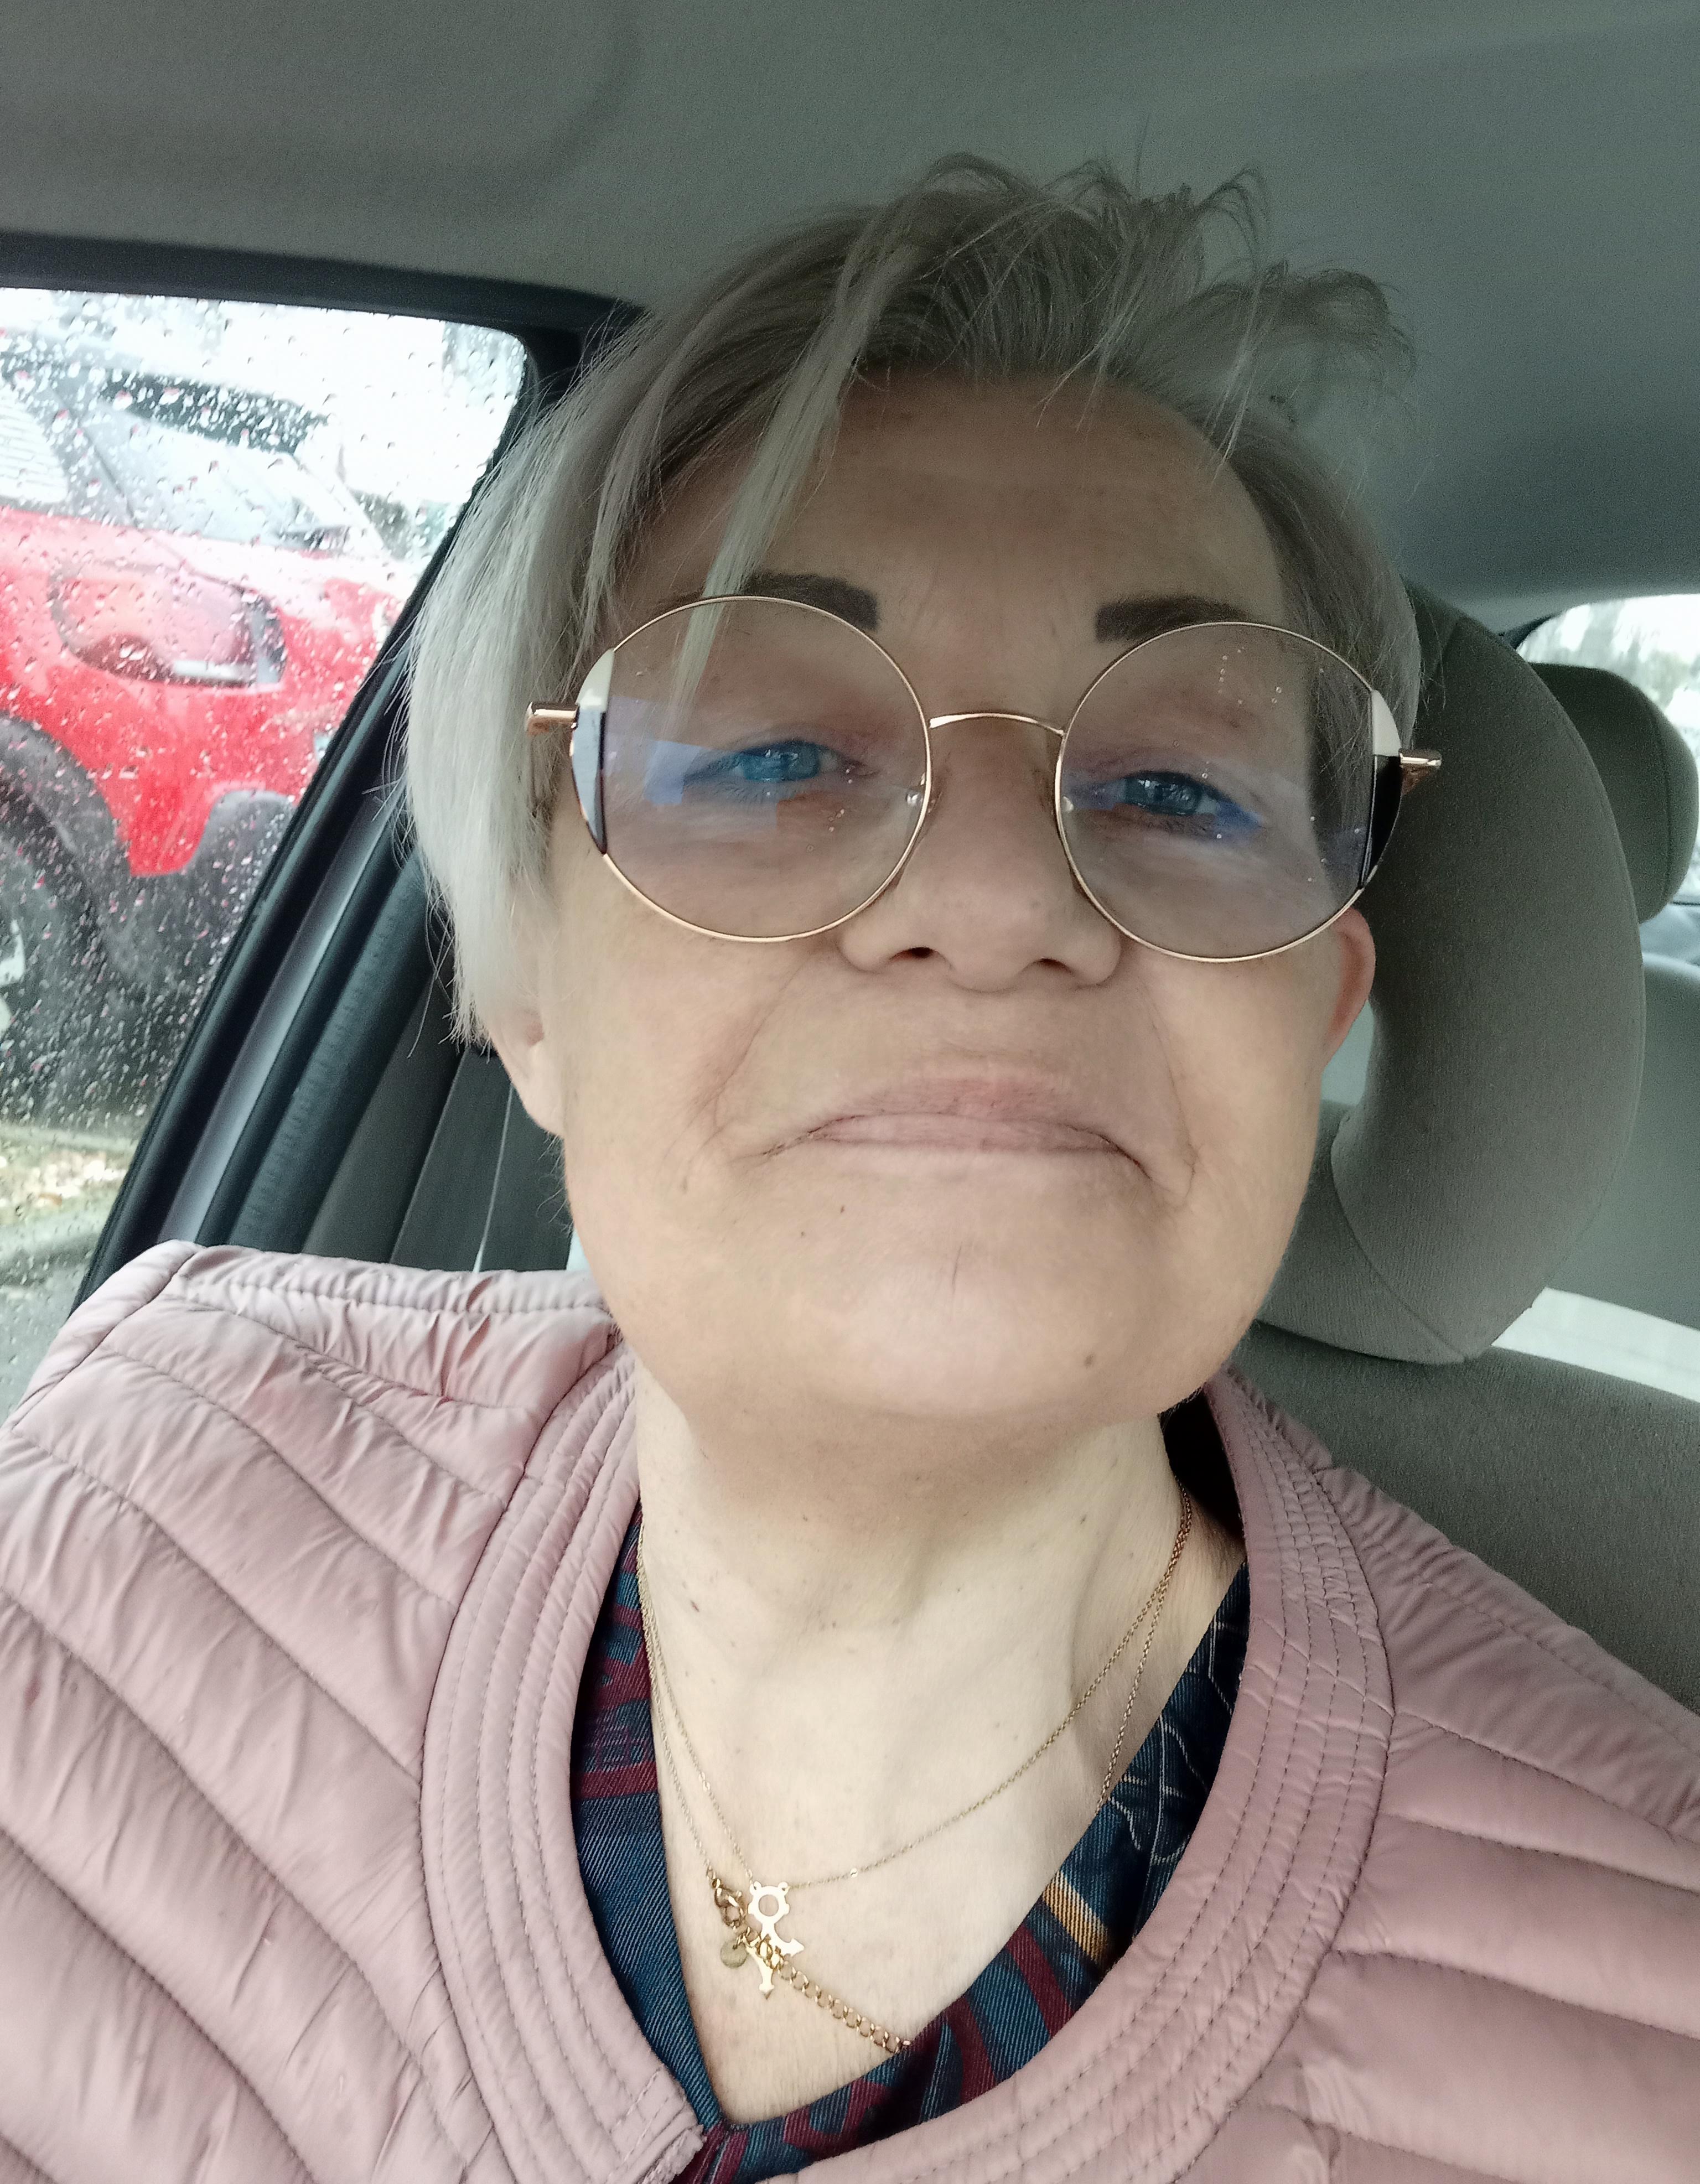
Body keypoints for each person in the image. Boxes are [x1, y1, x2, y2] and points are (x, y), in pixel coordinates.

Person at [1, 160, 1696, 2184]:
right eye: (774, 757)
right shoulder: (123, 1492)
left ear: (1315, 1006)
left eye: (1173, 787)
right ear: (527, 985)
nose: (993, 900)